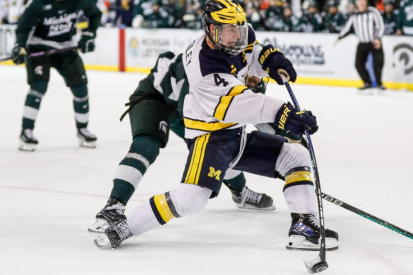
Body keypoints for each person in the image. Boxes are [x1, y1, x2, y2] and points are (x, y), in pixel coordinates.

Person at [94, 0, 339, 251]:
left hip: (235, 133)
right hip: (210, 138)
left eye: (239, 28)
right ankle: (126, 226)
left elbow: (252, 53)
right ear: (210, 29)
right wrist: (283, 114)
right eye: (228, 30)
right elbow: (239, 105)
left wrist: (269, 57)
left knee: (295, 156)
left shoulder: (237, 37)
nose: (236, 36)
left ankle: (303, 228)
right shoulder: (203, 67)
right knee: (191, 199)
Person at [88, 51, 277, 233]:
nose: (255, 82)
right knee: (147, 145)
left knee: (221, 146)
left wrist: (291, 132)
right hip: (156, 97)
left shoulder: (235, 74)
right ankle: (113, 207)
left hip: (185, 105)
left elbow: (257, 113)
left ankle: (240, 192)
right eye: (252, 80)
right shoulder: (209, 75)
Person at [12, 0, 101, 151]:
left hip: (66, 47)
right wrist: (20, 46)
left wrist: (88, 35)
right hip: (38, 48)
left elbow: (95, 14)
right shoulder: (38, 4)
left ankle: (82, 129)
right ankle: (26, 131)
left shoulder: (79, 2)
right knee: (38, 87)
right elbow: (23, 28)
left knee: (81, 88)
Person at [335, 0, 385, 90]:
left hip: (374, 42)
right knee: (358, 64)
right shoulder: (354, 14)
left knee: (378, 63)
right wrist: (339, 37)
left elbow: (380, 25)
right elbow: (347, 28)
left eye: (363, 0)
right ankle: (367, 82)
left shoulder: (373, 11)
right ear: (356, 3)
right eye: (359, 1)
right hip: (362, 42)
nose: (361, 2)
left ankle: (379, 83)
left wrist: (378, 38)